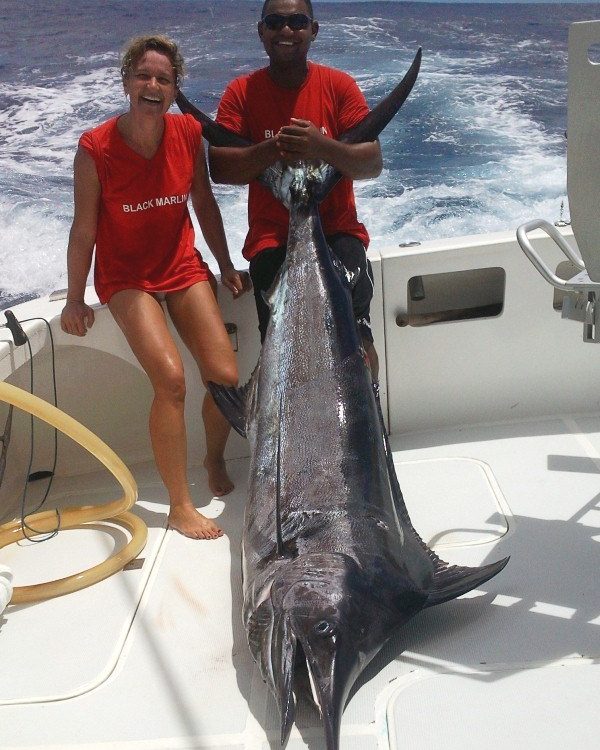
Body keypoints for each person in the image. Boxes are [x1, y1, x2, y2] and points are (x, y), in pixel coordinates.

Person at [61, 35, 250, 540]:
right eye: (143, 76)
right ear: (127, 83)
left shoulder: (188, 133)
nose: (152, 85)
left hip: (181, 264)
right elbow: (84, 230)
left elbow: (204, 204)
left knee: (225, 377)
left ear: (173, 89)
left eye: (163, 79)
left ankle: (212, 460)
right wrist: (75, 297)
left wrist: (225, 263)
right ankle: (180, 506)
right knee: (170, 381)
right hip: (127, 277)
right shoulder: (95, 148)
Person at [208, 0, 382, 378]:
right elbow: (220, 168)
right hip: (271, 241)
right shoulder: (241, 91)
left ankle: (371, 432)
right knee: (281, 348)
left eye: (297, 22)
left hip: (338, 233)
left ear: (313, 30)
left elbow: (371, 162)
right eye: (275, 22)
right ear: (261, 32)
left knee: (359, 341)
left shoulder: (339, 86)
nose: (286, 31)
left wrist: (322, 146)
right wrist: (274, 149)